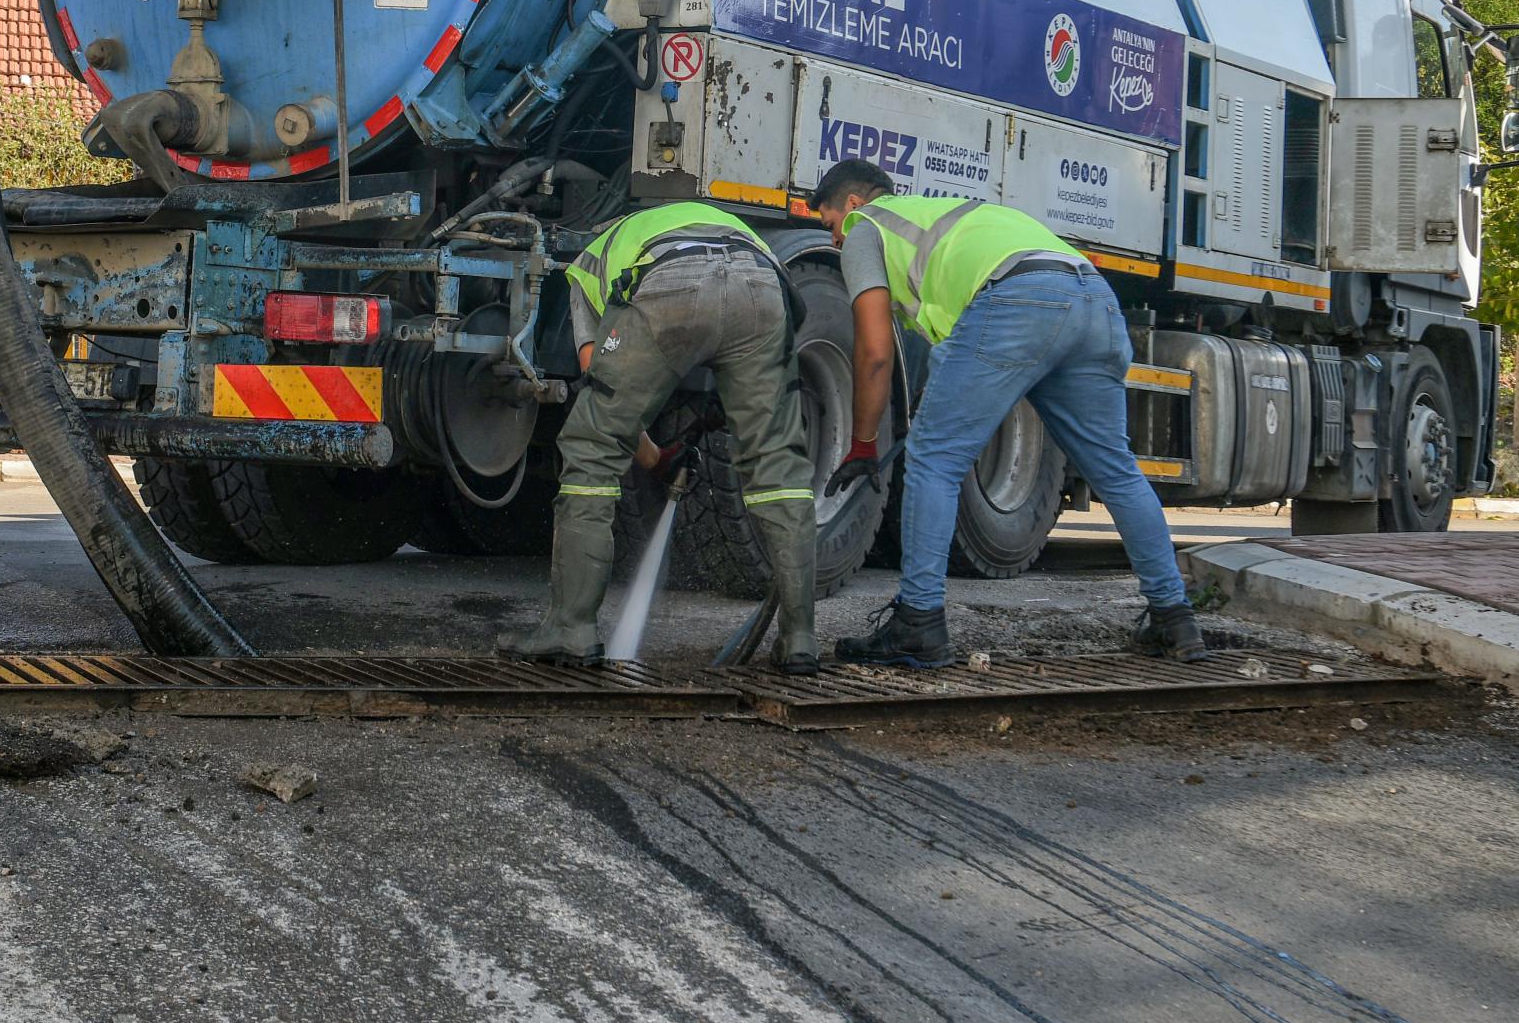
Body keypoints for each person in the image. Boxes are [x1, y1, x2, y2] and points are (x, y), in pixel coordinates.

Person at [810, 161, 1205, 667]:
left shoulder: (868, 227)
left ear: (853, 205)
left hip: (1021, 302)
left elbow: (874, 351)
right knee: (1117, 471)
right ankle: (1175, 618)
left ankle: (919, 624)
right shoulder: (951, 214)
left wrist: (863, 443)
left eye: (829, 226)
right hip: (1094, 302)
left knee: (934, 460)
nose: (837, 243)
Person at [500, 201, 820, 672]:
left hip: (670, 286)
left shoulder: (592, 258)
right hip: (760, 287)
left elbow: (603, 392)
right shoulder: (714, 221)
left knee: (591, 448)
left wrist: (651, 460)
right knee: (777, 461)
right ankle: (800, 639)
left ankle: (571, 628)